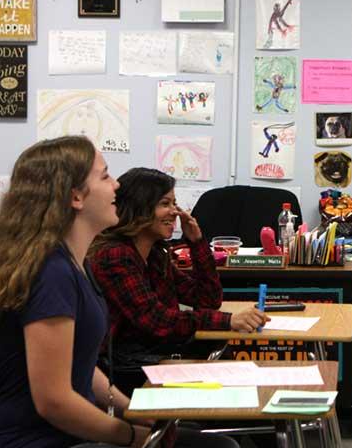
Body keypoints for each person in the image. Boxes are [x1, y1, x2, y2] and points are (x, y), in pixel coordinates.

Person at [0, 136, 147, 447]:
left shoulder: (75, 265)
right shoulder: (52, 273)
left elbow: (81, 363)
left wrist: (133, 411)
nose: (116, 185)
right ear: (76, 196)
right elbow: (53, 400)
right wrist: (131, 437)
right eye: (105, 175)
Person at [90, 168, 268, 391]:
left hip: (155, 353)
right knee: (233, 380)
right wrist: (228, 320)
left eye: (174, 204)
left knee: (233, 366)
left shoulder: (155, 253)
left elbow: (208, 299)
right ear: (139, 208)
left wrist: (197, 242)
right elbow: (157, 320)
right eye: (165, 204)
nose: (175, 212)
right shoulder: (115, 256)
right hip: (128, 365)